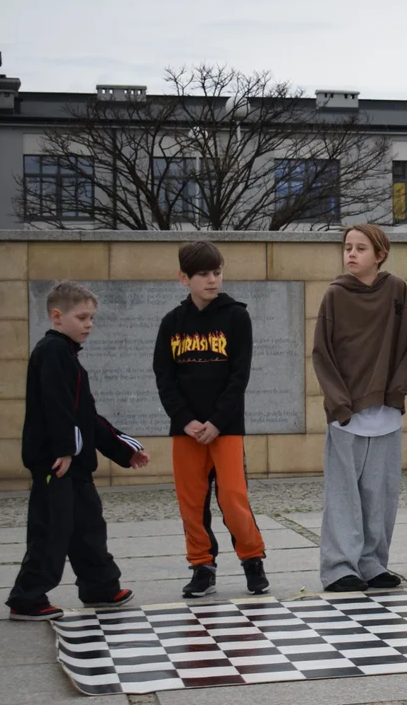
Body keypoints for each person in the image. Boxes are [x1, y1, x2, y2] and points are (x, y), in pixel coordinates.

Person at [7, 282, 150, 621]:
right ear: (57, 317)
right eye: (82, 317)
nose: (89, 324)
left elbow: (85, 414)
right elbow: (57, 407)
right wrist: (65, 450)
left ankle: (100, 586)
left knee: (88, 527)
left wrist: (124, 449)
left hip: (75, 464)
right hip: (56, 462)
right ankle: (27, 598)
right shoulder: (53, 351)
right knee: (51, 529)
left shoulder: (68, 356)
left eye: (92, 318)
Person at [153, 241, 268, 599]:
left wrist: (217, 421)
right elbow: (163, 376)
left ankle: (252, 560)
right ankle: (202, 566)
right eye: (203, 274)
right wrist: (186, 420)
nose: (212, 280)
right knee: (191, 502)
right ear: (183, 278)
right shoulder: (172, 322)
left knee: (234, 498)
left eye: (217, 272)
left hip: (226, 428)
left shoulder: (236, 317)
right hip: (186, 431)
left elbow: (239, 376)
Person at [311, 224, 407, 592]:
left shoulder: (396, 291)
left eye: (360, 248)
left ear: (380, 254)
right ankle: (340, 567)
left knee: (381, 495)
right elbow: (322, 355)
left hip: (386, 413)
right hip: (346, 416)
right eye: (347, 247)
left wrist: (397, 390)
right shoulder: (335, 296)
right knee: (343, 497)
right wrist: (339, 405)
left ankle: (373, 563)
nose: (351, 254)